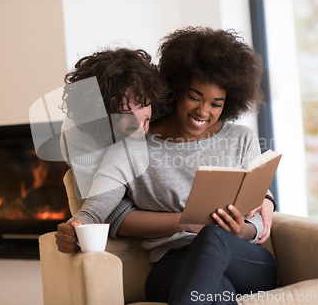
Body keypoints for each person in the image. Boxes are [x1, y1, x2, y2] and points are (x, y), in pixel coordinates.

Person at [57, 27, 278, 304]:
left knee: (213, 237)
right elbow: (95, 210)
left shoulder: (241, 138)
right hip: (173, 261)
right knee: (212, 290)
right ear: (176, 91)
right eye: (195, 97)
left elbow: (256, 211)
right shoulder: (124, 149)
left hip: (240, 255)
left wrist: (242, 229)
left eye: (215, 104)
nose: (203, 111)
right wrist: (74, 226)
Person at [56, 47, 167, 253]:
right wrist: (187, 221)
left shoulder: (164, 102)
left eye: (142, 104)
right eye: (122, 113)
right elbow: (105, 212)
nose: (137, 121)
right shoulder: (80, 132)